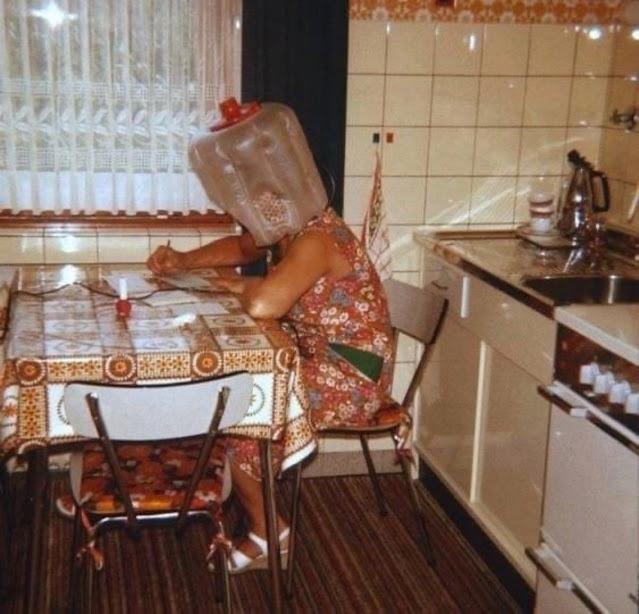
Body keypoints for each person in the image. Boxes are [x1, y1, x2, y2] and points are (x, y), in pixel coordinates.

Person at [146, 205, 394, 572]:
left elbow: (264, 303)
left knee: (245, 411)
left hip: (351, 377)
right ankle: (251, 500)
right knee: (236, 393)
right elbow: (246, 248)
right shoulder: (291, 224)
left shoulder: (317, 237)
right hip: (317, 357)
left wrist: (244, 286)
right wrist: (183, 261)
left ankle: (269, 536)